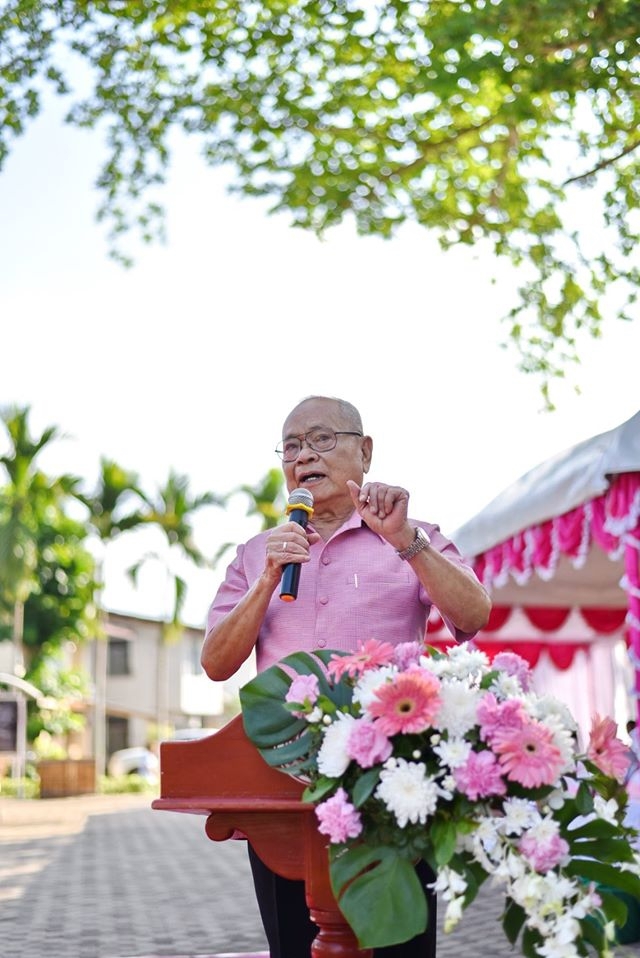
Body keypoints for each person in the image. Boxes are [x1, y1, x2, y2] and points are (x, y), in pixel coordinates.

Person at [201, 395, 492, 958]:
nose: (303, 455)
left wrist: (406, 541)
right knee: (295, 946)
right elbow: (216, 663)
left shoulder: (412, 534)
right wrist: (267, 580)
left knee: (398, 946)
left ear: (366, 451)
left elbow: (473, 615)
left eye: (321, 439)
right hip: (285, 787)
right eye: (291, 445)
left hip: (395, 781)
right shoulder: (259, 553)